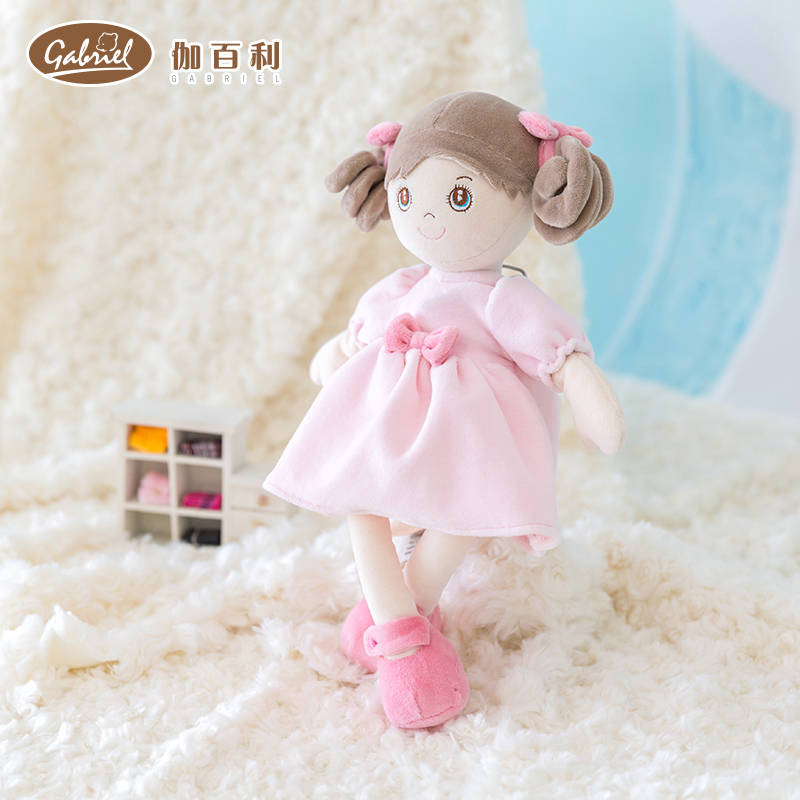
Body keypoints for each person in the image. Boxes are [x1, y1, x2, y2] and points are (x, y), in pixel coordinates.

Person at [264, 91, 626, 728]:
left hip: (469, 441)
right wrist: (337, 354)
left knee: (466, 509)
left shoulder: (503, 298)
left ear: (527, 193)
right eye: (407, 197)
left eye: (459, 197)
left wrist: (588, 397)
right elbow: (356, 338)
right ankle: (401, 623)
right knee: (363, 505)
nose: (427, 216)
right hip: (387, 424)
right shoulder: (403, 287)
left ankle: (395, 631)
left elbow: (559, 357)